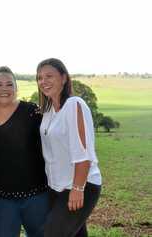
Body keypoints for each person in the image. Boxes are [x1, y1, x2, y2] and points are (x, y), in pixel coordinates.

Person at [36, 58, 102, 237]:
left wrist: (77, 189)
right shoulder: (48, 110)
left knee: (52, 233)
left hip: (80, 185)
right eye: (40, 78)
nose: (44, 81)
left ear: (64, 78)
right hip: (56, 186)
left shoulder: (74, 105)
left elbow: (83, 152)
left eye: (49, 76)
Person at [0, 66, 49, 237]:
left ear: (16, 88)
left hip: (37, 197)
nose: (4, 89)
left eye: (9, 84)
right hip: (1, 198)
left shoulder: (32, 111)